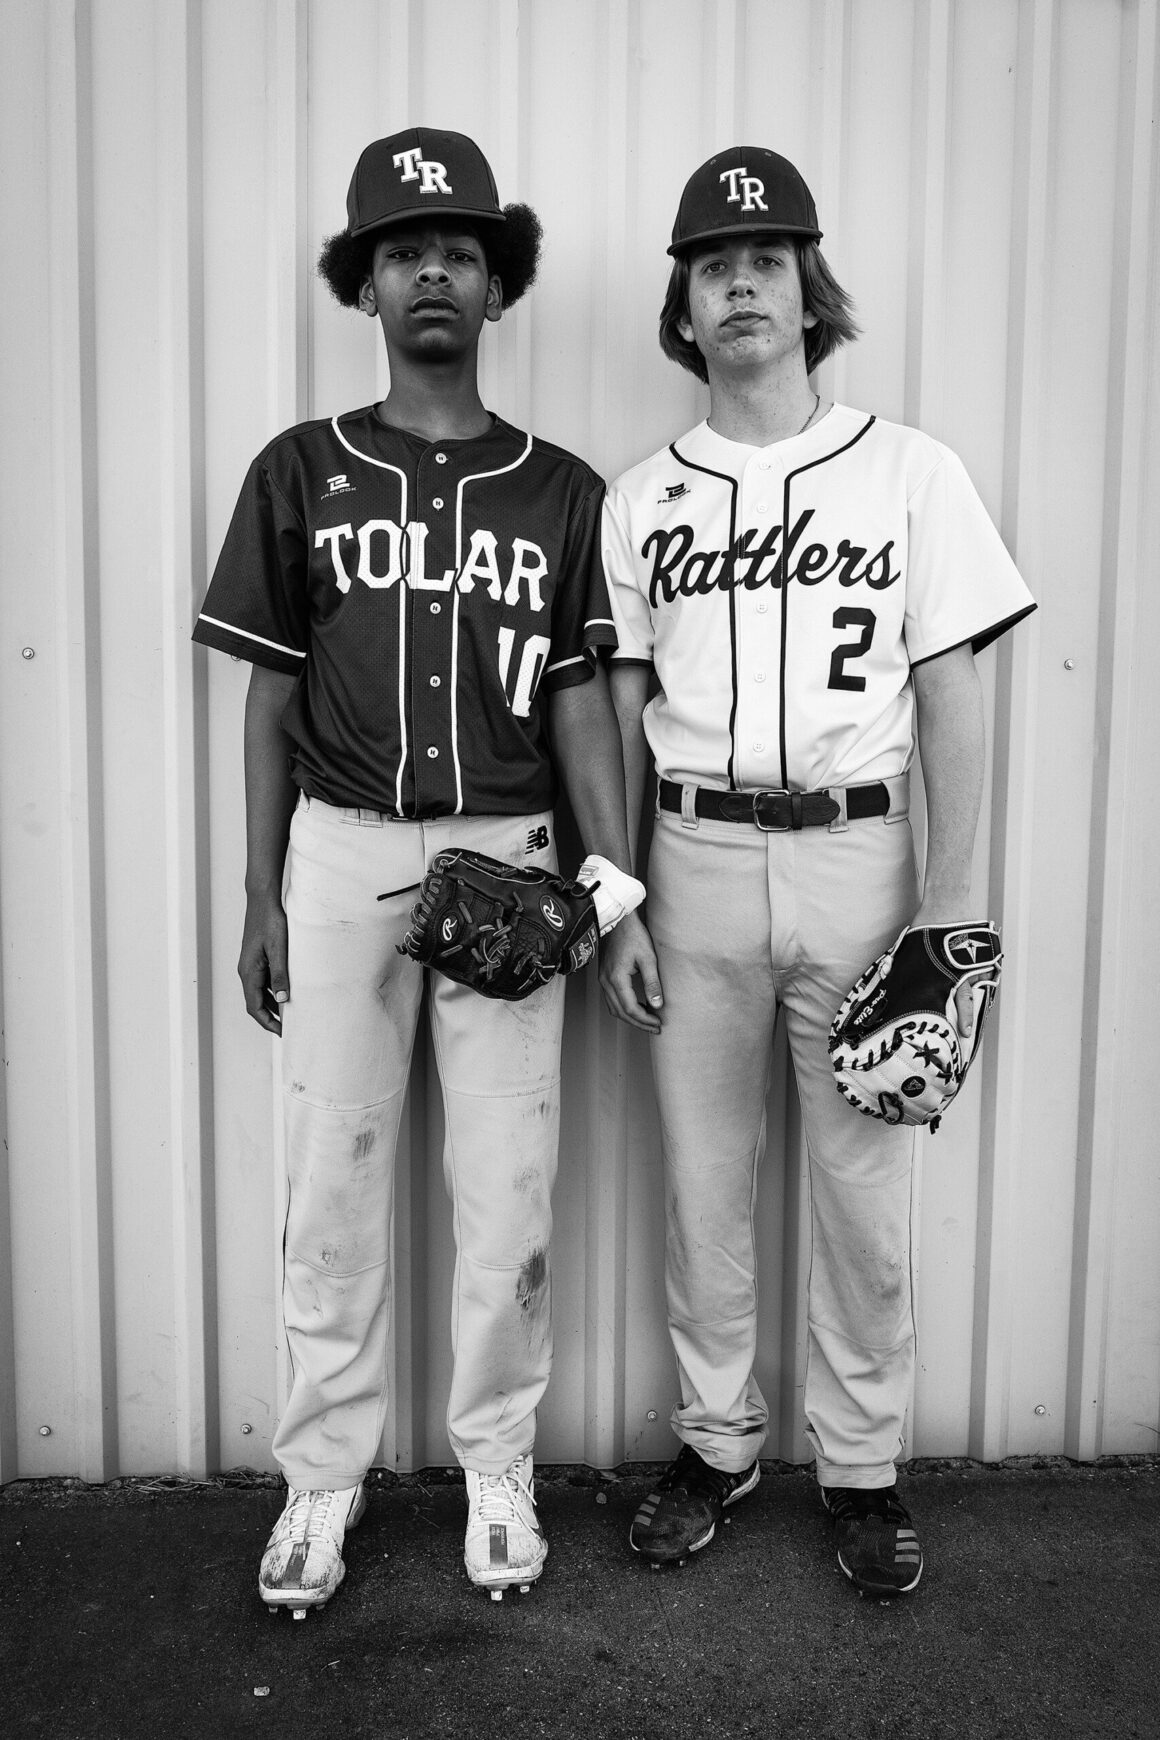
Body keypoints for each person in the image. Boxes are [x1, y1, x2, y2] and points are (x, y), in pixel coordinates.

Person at [193, 127, 652, 1613]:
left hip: (514, 864)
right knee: (332, 1186)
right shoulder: (300, 470)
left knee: (506, 1192)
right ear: (367, 284)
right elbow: (268, 698)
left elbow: (588, 703)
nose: (433, 268)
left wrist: (612, 887)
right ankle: (322, 1480)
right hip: (339, 857)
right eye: (404, 249)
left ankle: (496, 1465)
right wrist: (258, 893)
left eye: (459, 246)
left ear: (496, 281)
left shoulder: (562, 492)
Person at [598, 146, 1035, 1596]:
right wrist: (620, 896)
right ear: (686, 307)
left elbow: (959, 688)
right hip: (693, 852)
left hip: (860, 853)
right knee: (707, 1186)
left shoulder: (911, 472)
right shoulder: (640, 495)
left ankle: (860, 1467)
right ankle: (718, 1444)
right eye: (714, 267)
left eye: (766, 262)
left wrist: (955, 907)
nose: (739, 283)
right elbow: (614, 700)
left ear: (807, 293)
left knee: (860, 1190)